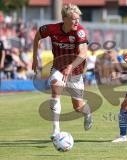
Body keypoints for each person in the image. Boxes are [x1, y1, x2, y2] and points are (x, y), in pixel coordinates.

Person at [32, 4, 93, 139]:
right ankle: (56, 131)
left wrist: (71, 66)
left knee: (78, 107)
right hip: (59, 68)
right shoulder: (52, 29)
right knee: (55, 89)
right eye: (74, 19)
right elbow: (37, 36)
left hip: (76, 71)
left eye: (78, 19)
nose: (77, 22)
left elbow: (83, 53)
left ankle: (87, 112)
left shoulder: (80, 31)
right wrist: (35, 57)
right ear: (64, 19)